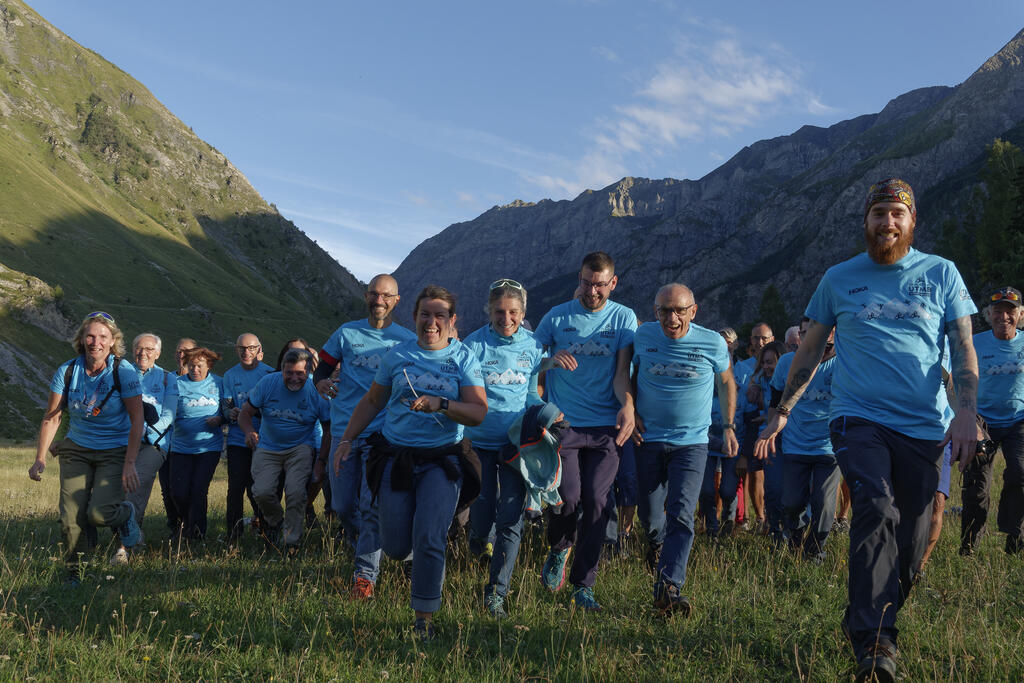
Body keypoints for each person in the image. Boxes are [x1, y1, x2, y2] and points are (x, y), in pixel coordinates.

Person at [756, 178, 978, 682]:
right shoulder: (838, 278)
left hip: (924, 426)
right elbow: (809, 350)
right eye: (879, 212)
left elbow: (964, 348)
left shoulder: (941, 274)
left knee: (915, 538)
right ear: (866, 221)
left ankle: (869, 610)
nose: (887, 221)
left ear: (912, 221)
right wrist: (784, 409)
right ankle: (875, 642)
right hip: (857, 419)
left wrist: (968, 410)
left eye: (897, 213)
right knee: (875, 507)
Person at [332, 285, 487, 639]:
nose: (431, 322)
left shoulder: (463, 358)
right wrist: (345, 440)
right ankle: (410, 557)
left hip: (442, 460)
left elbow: (478, 412)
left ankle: (423, 621)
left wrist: (442, 404)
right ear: (414, 317)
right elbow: (372, 402)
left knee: (430, 537)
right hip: (396, 457)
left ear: (452, 321)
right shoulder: (396, 356)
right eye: (425, 314)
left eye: (440, 315)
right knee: (397, 546)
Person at [534, 251, 637, 611]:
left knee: (598, 502)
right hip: (567, 424)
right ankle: (560, 548)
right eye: (586, 282)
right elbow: (531, 358)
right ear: (578, 278)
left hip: (607, 428)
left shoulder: (624, 317)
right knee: (569, 498)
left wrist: (628, 405)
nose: (592, 291)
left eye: (599, 285)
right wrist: (548, 364)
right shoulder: (558, 316)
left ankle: (583, 586)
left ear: (613, 282)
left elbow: (623, 372)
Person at [633, 284, 737, 615]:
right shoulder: (642, 337)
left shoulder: (712, 342)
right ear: (655, 312)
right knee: (649, 516)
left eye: (679, 310)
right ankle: (655, 543)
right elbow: (625, 375)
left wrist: (729, 427)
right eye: (664, 310)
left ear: (693, 311)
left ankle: (669, 586)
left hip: (692, 442)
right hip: (648, 439)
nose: (671, 317)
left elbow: (726, 382)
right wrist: (630, 409)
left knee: (681, 512)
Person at [313, 274, 416, 599]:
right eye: (374, 293)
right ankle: (375, 545)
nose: (379, 300)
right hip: (345, 431)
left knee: (370, 507)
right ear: (366, 296)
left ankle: (364, 577)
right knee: (343, 505)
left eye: (386, 295)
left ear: (396, 300)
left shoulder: (406, 339)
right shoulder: (346, 333)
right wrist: (320, 383)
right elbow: (322, 369)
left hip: (383, 436)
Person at [28, 312, 144, 583]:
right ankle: (75, 572)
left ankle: (126, 514)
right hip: (77, 448)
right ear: (81, 338)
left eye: (103, 336)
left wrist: (129, 462)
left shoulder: (123, 371)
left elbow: (137, 418)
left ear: (113, 341)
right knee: (70, 517)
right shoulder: (68, 371)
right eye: (90, 335)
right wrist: (40, 458)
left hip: (114, 451)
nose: (96, 342)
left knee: (99, 514)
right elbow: (53, 416)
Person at [463, 278, 546, 618]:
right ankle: (476, 541)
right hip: (479, 442)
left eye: (513, 312)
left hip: (516, 444)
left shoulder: (533, 345)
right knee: (482, 515)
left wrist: (542, 416)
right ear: (489, 311)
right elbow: (464, 394)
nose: (506, 318)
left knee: (511, 519)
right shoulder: (473, 345)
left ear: (523, 313)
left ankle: (496, 594)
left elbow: (531, 392)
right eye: (500, 311)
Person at [240, 347, 330, 554]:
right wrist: (249, 432)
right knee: (261, 492)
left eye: (300, 373)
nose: (294, 378)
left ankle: (291, 543)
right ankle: (277, 523)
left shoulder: (316, 391)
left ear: (309, 372)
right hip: (268, 446)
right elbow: (245, 413)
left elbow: (329, 429)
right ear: (281, 370)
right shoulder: (267, 384)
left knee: (296, 492)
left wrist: (321, 461)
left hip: (300, 447)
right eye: (289, 372)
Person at [766, 321, 838, 562]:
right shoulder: (787, 362)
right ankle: (796, 538)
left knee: (823, 504)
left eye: (821, 332)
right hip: (795, 445)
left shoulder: (845, 362)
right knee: (791, 503)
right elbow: (776, 398)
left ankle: (815, 551)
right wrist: (771, 432)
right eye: (807, 333)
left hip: (829, 447)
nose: (813, 338)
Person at [960, 286, 1024, 555]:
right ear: (989, 314)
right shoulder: (976, 343)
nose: (1004, 317)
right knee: (976, 486)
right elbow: (959, 380)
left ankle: (1014, 539)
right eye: (998, 311)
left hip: (1018, 420)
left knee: (1021, 475)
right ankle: (969, 546)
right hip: (981, 420)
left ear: (1020, 315)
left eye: (1010, 311)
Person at [113, 332, 177, 563]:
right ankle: (131, 533)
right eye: (140, 348)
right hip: (122, 440)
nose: (144, 353)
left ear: (158, 353)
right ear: (132, 350)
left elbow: (169, 415)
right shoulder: (121, 373)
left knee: (135, 486)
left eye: (150, 349)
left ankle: (123, 548)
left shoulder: (168, 379)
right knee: (115, 491)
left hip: (154, 444)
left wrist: (145, 432)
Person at [221, 333, 274, 541]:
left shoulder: (269, 373)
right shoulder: (229, 375)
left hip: (265, 440)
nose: (246, 352)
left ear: (259, 349)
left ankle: (265, 529)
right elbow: (225, 407)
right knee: (235, 489)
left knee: (259, 488)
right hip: (237, 439)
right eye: (242, 348)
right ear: (236, 350)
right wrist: (231, 413)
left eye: (251, 348)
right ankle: (233, 535)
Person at [168, 347, 224, 541]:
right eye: (191, 365)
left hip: (209, 447)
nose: (195, 369)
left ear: (208, 365)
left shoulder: (219, 383)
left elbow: (228, 410)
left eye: (199, 366)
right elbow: (167, 411)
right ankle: (185, 523)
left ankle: (197, 534)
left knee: (199, 489)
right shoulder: (176, 384)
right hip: (181, 446)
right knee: (178, 492)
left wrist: (220, 419)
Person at [741, 341, 786, 543]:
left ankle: (791, 531)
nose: (768, 366)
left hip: (788, 438)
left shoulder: (789, 379)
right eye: (765, 362)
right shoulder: (762, 380)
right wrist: (753, 385)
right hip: (767, 439)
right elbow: (752, 396)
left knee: (788, 491)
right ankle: (775, 531)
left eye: (772, 362)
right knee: (772, 488)